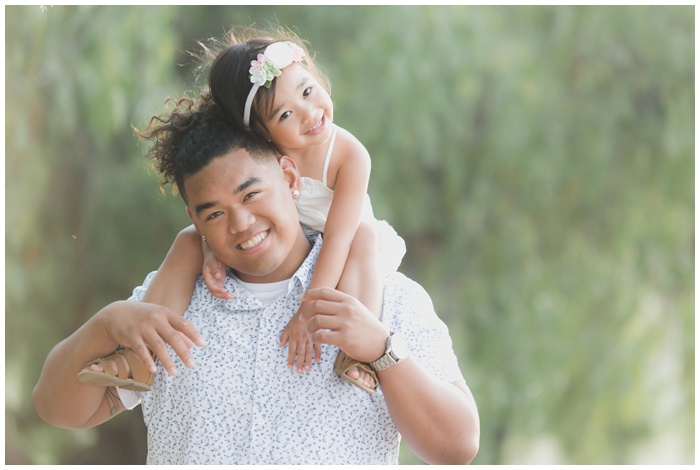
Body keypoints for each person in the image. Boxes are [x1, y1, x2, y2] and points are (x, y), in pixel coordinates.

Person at [33, 94, 479, 464]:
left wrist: (383, 352)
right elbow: (56, 408)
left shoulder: (383, 295)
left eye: (252, 194)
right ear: (193, 219)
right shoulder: (165, 302)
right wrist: (105, 325)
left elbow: (457, 447)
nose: (242, 223)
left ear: (289, 176)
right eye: (215, 213)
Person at [76, 26, 404, 393]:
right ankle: (140, 359)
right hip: (290, 233)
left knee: (364, 237)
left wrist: (306, 311)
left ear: (315, 75)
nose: (309, 114)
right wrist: (209, 250)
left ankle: (359, 356)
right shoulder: (263, 157)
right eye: (284, 115)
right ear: (260, 133)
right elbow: (230, 206)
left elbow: (338, 237)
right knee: (188, 240)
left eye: (308, 91)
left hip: (345, 241)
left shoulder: (349, 155)